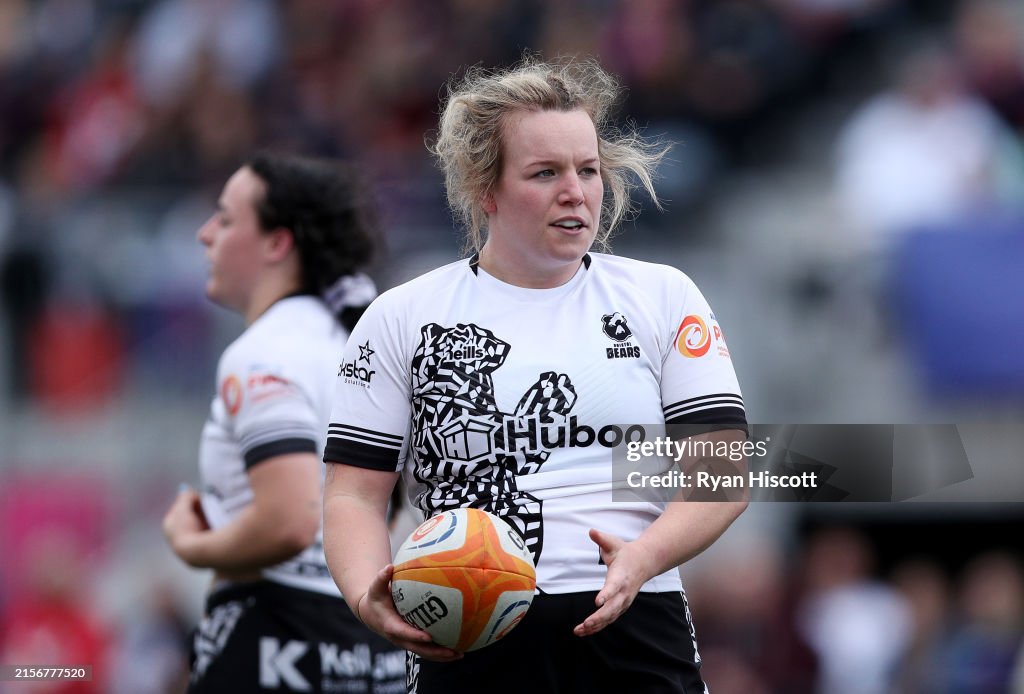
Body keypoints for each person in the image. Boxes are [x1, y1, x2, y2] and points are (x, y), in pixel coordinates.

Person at [322, 57, 749, 694]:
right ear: (484, 190)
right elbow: (353, 495)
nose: (574, 191)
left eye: (587, 169)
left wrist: (642, 559)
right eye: (545, 173)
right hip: (466, 630)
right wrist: (365, 594)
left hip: (632, 619)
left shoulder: (663, 296)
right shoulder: (401, 317)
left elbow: (723, 476)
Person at [162, 152, 406, 693]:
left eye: (225, 219)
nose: (205, 234)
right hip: (371, 645)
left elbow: (290, 520)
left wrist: (190, 545)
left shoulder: (266, 352)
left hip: (276, 637)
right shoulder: (359, 342)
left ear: (277, 243)